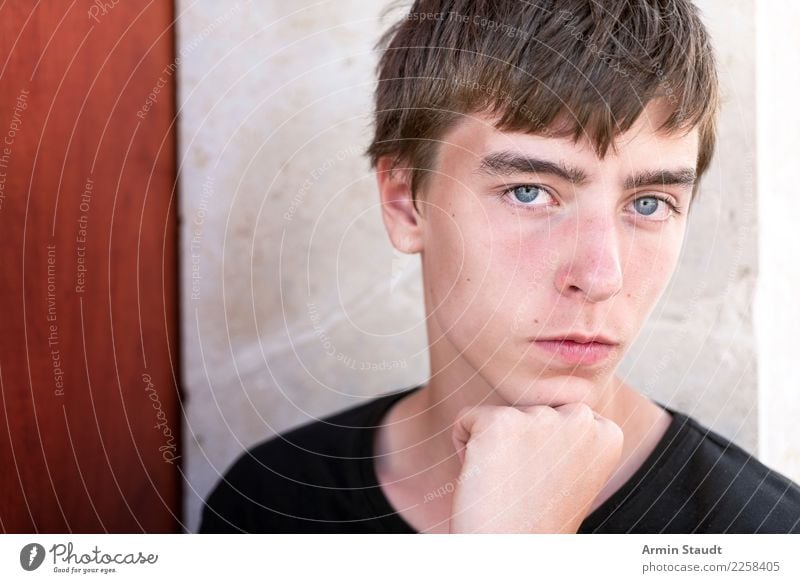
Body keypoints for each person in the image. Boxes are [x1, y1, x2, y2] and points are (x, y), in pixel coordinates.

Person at [199, 0, 800, 533]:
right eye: (529, 192)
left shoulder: (765, 537)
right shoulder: (271, 505)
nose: (600, 276)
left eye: (648, 204)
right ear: (406, 201)